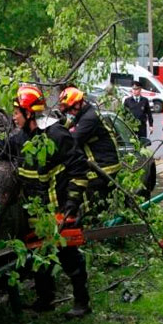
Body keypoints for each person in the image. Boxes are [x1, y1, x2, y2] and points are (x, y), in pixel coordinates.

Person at [8, 84, 91, 318]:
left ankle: (82, 303)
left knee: (69, 257)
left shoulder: (56, 135)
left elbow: (79, 169)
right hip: (37, 211)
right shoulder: (21, 138)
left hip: (61, 207)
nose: (13, 117)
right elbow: (2, 150)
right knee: (39, 255)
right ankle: (46, 300)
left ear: (29, 114)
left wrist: (72, 202)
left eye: (16, 112)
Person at [57, 86, 121, 224]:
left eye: (70, 109)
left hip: (104, 167)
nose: (70, 113)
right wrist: (61, 121)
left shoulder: (89, 118)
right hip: (101, 165)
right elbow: (72, 126)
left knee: (90, 200)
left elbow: (73, 140)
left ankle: (93, 227)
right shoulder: (85, 114)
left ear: (78, 104)